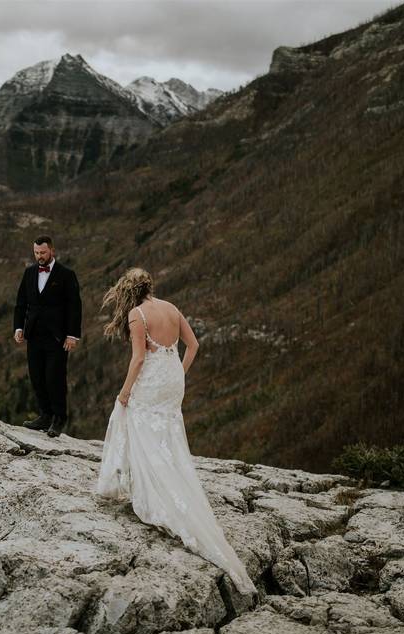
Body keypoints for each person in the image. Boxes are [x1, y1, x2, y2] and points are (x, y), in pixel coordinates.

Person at [95, 267, 257, 596]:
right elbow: (193, 345)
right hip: (172, 379)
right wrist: (178, 373)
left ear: (127, 291)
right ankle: (165, 480)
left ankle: (147, 488)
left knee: (136, 421)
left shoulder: (137, 315)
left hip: (153, 378)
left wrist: (125, 390)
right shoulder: (171, 307)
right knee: (166, 434)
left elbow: (138, 359)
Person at [13, 236, 82, 437]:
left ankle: (59, 418)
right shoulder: (29, 273)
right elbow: (21, 303)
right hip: (33, 335)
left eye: (42, 253)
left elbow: (75, 307)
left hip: (57, 337)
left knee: (55, 377)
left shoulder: (67, 275)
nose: (39, 256)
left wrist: (72, 335)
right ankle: (44, 415)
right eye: (36, 253)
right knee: (37, 377)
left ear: (51, 250)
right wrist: (18, 328)